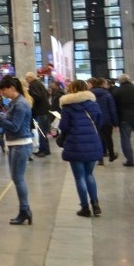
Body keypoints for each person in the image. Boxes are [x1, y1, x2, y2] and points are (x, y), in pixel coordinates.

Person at [0, 75, 33, 225]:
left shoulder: (20, 104)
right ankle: (24, 210)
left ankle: (25, 210)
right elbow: (10, 119)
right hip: (16, 144)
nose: (2, 94)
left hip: (20, 144)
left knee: (18, 179)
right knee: (17, 179)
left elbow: (15, 126)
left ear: (12, 88)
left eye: (4, 90)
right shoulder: (15, 102)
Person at [57, 80, 104, 217]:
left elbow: (64, 127)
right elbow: (100, 122)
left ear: (73, 89)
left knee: (79, 177)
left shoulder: (68, 107)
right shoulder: (93, 104)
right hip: (92, 142)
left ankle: (85, 208)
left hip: (75, 143)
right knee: (89, 174)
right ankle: (95, 204)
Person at [112, 74, 134, 167]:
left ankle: (130, 160)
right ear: (129, 79)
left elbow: (114, 107)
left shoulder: (116, 91)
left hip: (124, 118)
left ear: (120, 81)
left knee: (125, 140)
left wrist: (115, 121)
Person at [88, 77, 119, 164]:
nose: (107, 85)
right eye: (105, 83)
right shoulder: (107, 94)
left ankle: (100, 159)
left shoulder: (90, 94)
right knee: (108, 138)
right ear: (102, 84)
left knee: (98, 138)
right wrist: (115, 122)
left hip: (95, 119)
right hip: (106, 120)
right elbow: (112, 109)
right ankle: (111, 155)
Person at [26, 73, 51, 157]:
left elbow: (37, 96)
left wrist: (30, 98)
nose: (26, 80)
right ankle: (45, 149)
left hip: (40, 111)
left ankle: (43, 150)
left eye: (27, 78)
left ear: (30, 77)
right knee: (43, 131)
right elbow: (47, 94)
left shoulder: (33, 85)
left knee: (41, 131)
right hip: (45, 110)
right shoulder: (40, 84)